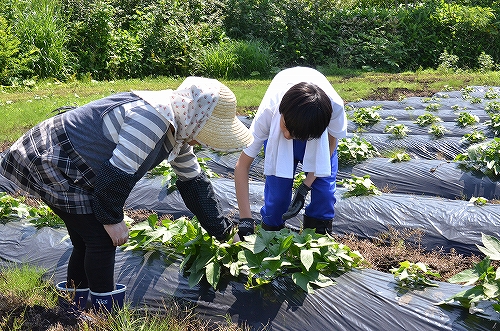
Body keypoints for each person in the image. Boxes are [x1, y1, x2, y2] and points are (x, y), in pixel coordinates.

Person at [0, 76, 253, 312]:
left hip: (74, 168)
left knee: (85, 239)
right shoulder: (152, 119)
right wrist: (112, 220)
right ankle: (102, 316)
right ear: (196, 117)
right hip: (55, 162)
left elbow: (195, 183)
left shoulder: (177, 128)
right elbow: (116, 174)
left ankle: (74, 308)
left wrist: (223, 232)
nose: (207, 141)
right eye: (208, 131)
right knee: (100, 239)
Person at [234, 67, 347, 236]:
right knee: (277, 198)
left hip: (315, 135)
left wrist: (305, 186)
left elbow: (331, 144)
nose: (287, 136)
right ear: (282, 113)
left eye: (294, 135)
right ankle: (271, 235)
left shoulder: (333, 108)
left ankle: (318, 238)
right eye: (285, 127)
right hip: (279, 135)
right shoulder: (269, 112)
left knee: (324, 194)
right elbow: (242, 166)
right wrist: (245, 219)